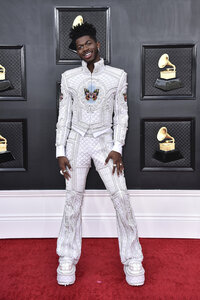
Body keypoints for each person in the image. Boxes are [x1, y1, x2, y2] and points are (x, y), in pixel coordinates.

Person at [55, 16, 145, 286]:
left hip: (106, 142)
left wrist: (117, 147)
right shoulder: (69, 78)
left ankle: (133, 258)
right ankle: (67, 257)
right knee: (72, 202)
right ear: (77, 51)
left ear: (97, 43)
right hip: (76, 141)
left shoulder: (117, 76)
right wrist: (60, 149)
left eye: (89, 43)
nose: (85, 49)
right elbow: (63, 117)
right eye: (80, 46)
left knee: (121, 199)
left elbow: (123, 116)